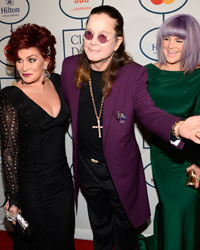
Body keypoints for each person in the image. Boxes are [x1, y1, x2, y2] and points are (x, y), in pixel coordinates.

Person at [61, 5, 200, 250]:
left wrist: (177, 127)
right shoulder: (70, 66)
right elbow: (59, 106)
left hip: (120, 172)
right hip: (87, 169)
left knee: (125, 235)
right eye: (89, 34)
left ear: (117, 43)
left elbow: (149, 112)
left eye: (103, 36)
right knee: (100, 231)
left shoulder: (132, 74)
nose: (94, 42)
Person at [0, 23, 75, 250]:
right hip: (32, 187)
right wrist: (14, 198)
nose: (24, 67)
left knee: (63, 240)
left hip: (62, 183)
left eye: (31, 59)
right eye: (19, 60)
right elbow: (9, 151)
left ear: (46, 59)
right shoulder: (10, 97)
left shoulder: (60, 83)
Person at [145, 14, 200, 250]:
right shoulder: (147, 73)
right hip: (162, 157)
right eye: (166, 39)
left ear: (192, 43)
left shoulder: (198, 76)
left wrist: (198, 164)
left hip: (191, 159)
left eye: (179, 40)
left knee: (185, 208)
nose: (170, 46)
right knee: (172, 208)